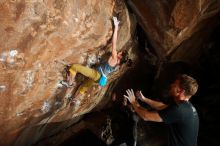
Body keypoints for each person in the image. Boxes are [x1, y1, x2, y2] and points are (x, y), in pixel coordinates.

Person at [124, 74, 199, 146]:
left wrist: (133, 102)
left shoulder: (179, 110)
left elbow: (146, 116)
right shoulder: (187, 107)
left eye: (174, 85)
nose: (171, 85)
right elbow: (162, 106)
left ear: (180, 91)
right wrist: (144, 99)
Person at [62, 17, 128, 95]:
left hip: (96, 74)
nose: (119, 52)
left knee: (74, 67)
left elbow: (114, 42)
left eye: (120, 53)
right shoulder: (117, 65)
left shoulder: (114, 58)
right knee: (84, 86)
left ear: (120, 57)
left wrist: (116, 27)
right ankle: (75, 99)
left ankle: (69, 84)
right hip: (98, 79)